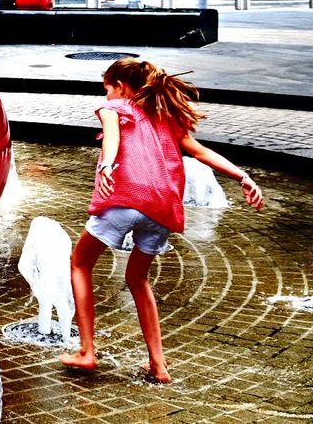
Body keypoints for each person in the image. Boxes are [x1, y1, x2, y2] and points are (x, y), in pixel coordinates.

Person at [60, 59, 264, 384]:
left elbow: (111, 139)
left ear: (121, 87)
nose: (108, 95)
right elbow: (200, 152)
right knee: (138, 279)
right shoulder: (165, 118)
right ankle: (159, 365)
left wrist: (107, 166)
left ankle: (87, 351)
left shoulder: (115, 108)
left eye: (108, 89)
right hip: (162, 209)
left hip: (124, 198)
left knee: (80, 264)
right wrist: (243, 176)